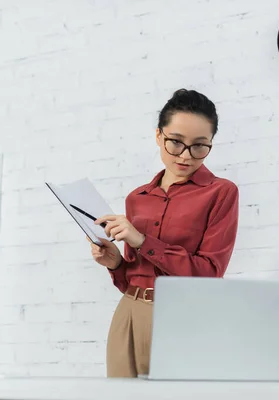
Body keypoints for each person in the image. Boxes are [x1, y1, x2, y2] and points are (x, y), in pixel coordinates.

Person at [90, 88, 240, 378]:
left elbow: (209, 273)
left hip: (183, 318)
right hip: (129, 315)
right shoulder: (138, 197)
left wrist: (142, 241)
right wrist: (116, 264)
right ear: (159, 136)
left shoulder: (221, 193)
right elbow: (130, 278)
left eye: (199, 145)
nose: (185, 155)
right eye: (175, 142)